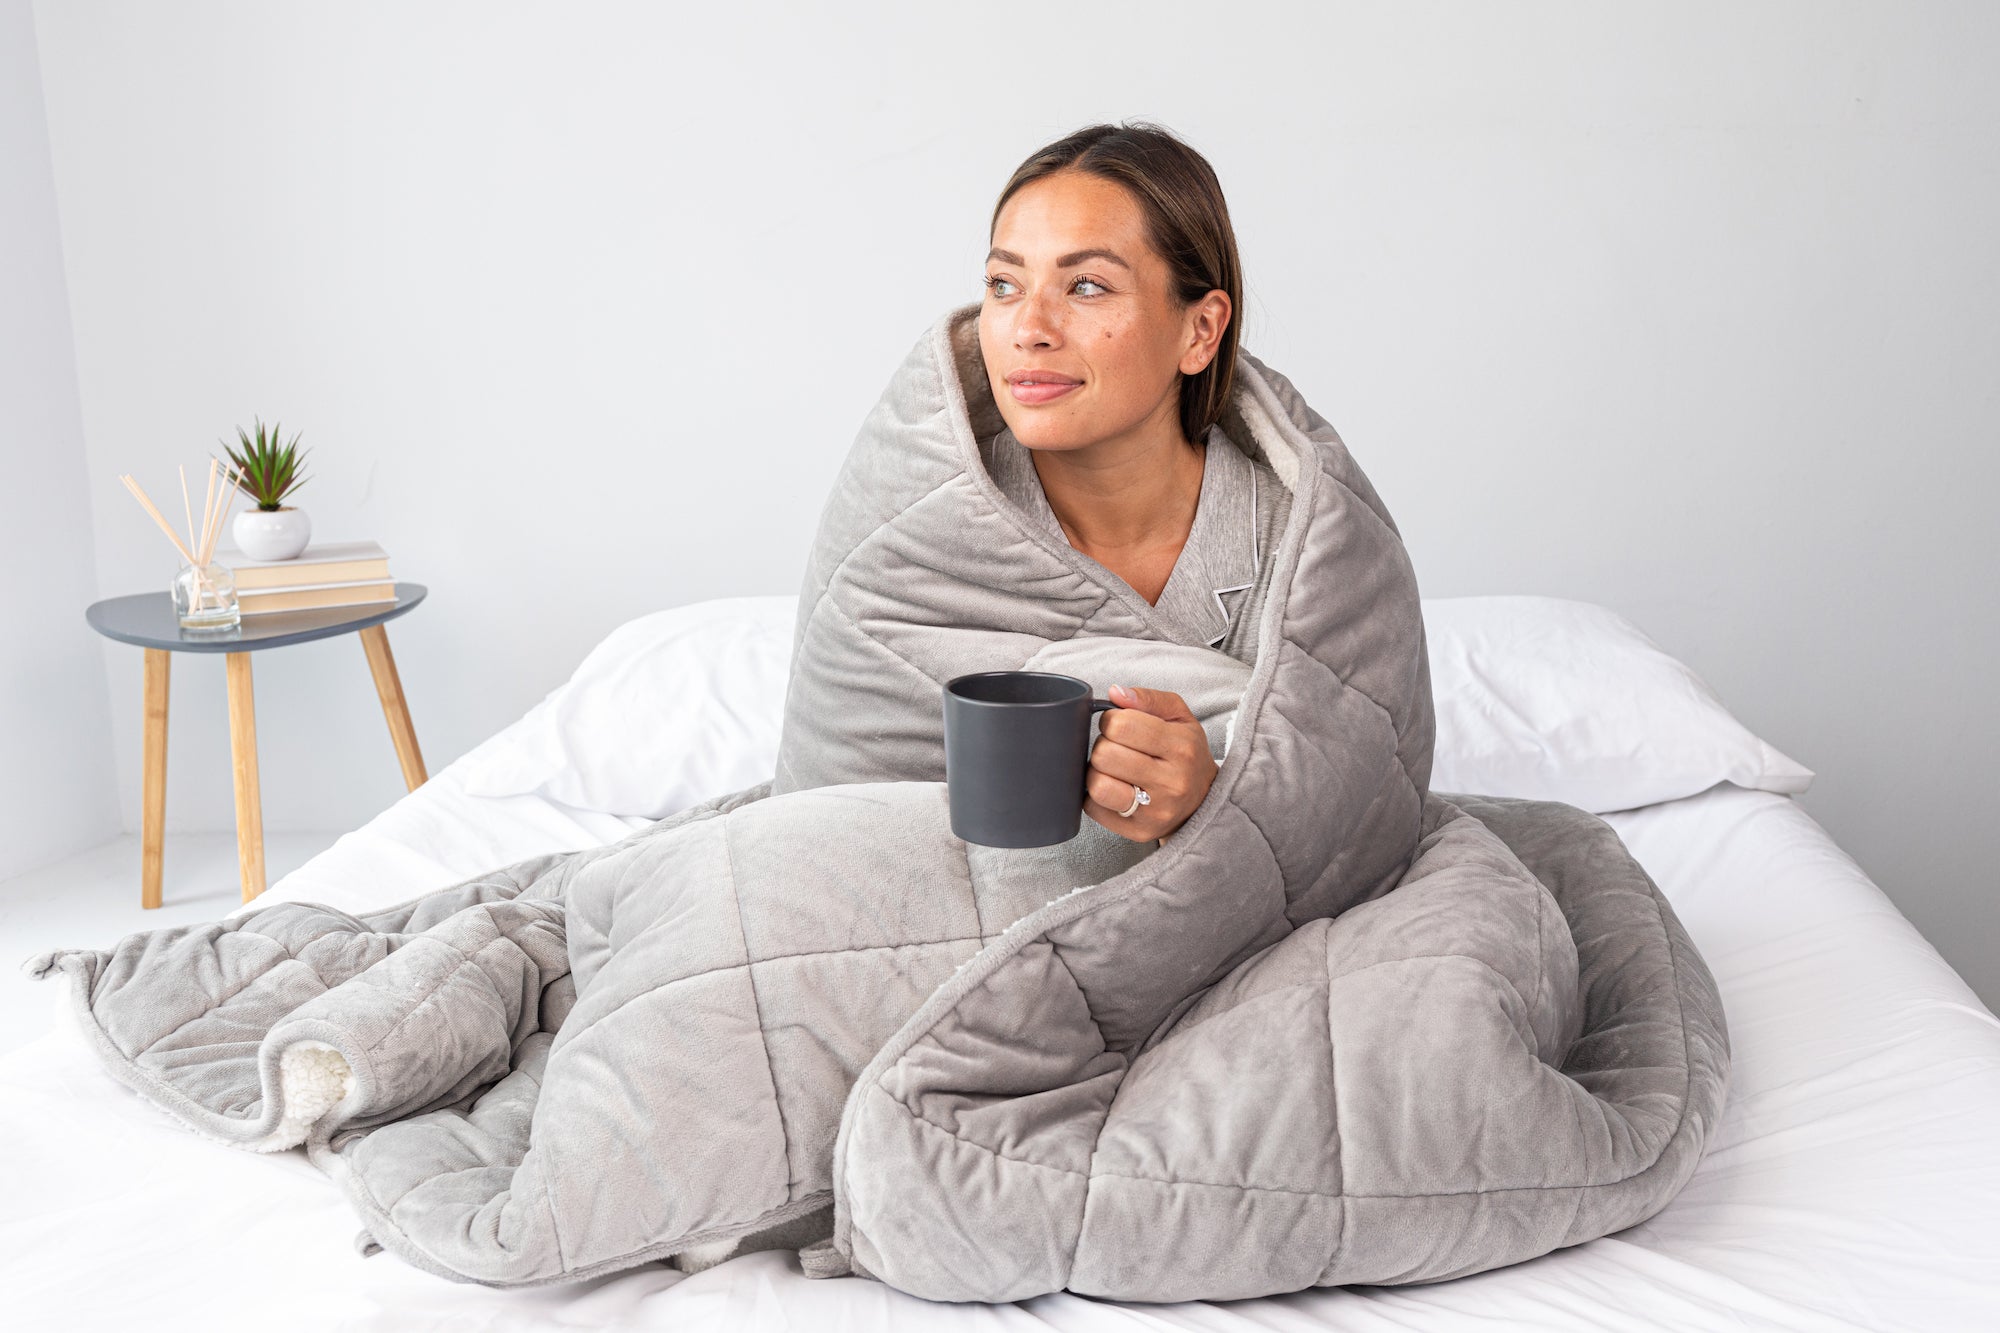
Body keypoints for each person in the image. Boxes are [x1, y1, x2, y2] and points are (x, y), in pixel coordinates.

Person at [976, 121, 1289, 845]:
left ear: (1200, 332)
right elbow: (842, 790)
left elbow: (1360, 791)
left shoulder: (1304, 544)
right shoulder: (915, 525)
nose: (1029, 326)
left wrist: (1221, 801)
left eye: (1086, 285)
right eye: (1003, 284)